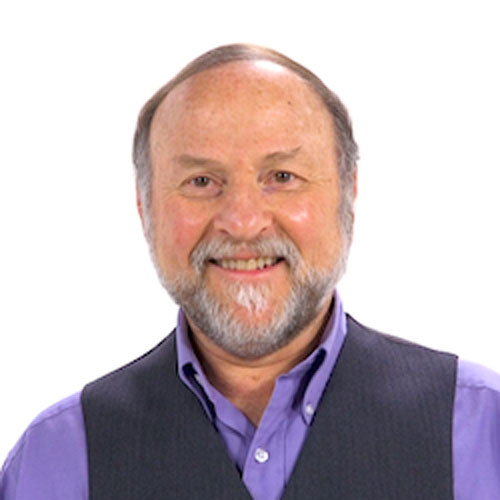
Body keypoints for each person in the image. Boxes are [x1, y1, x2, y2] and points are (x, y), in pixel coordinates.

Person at [1, 44, 499, 500]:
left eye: (282, 177)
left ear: (348, 192)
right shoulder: (57, 460)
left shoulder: (483, 433)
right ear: (143, 207)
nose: (242, 221)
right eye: (201, 181)